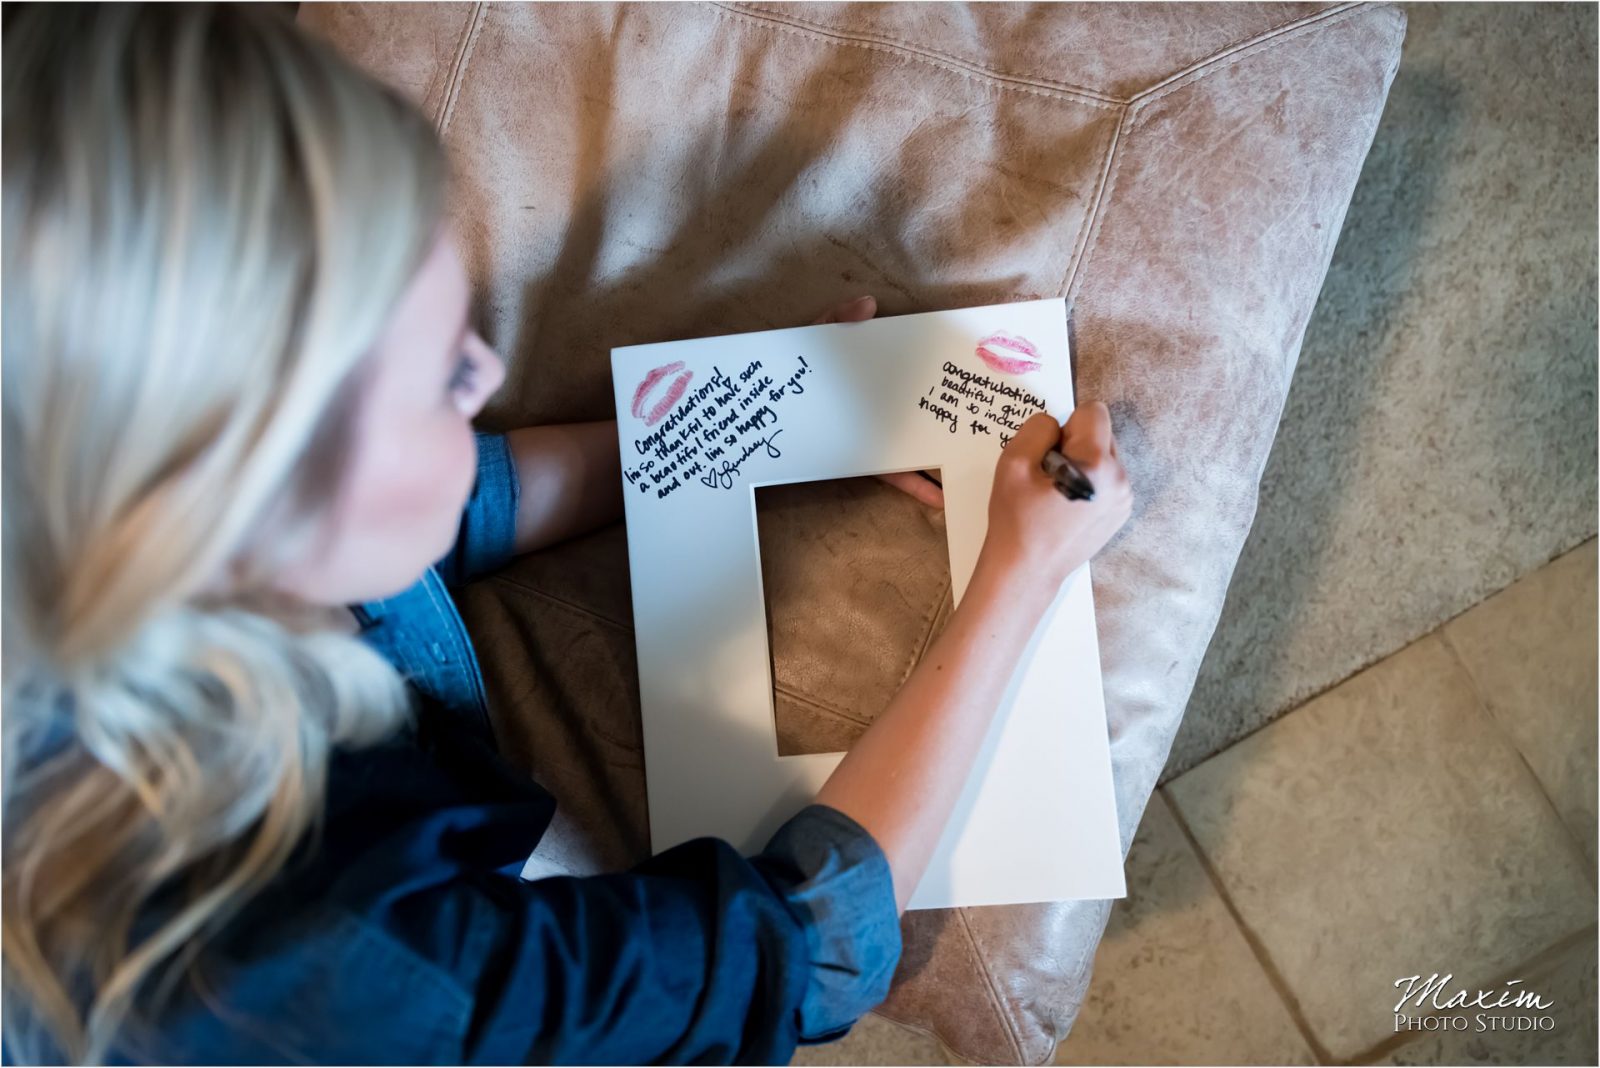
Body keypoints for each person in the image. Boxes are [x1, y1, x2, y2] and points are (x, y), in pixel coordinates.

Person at [0, 4, 1133, 1066]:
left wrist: (753, 414)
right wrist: (1019, 572)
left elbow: (456, 509)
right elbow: (797, 951)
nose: (490, 373)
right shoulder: (367, 962)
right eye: (445, 375)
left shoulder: (82, 503)